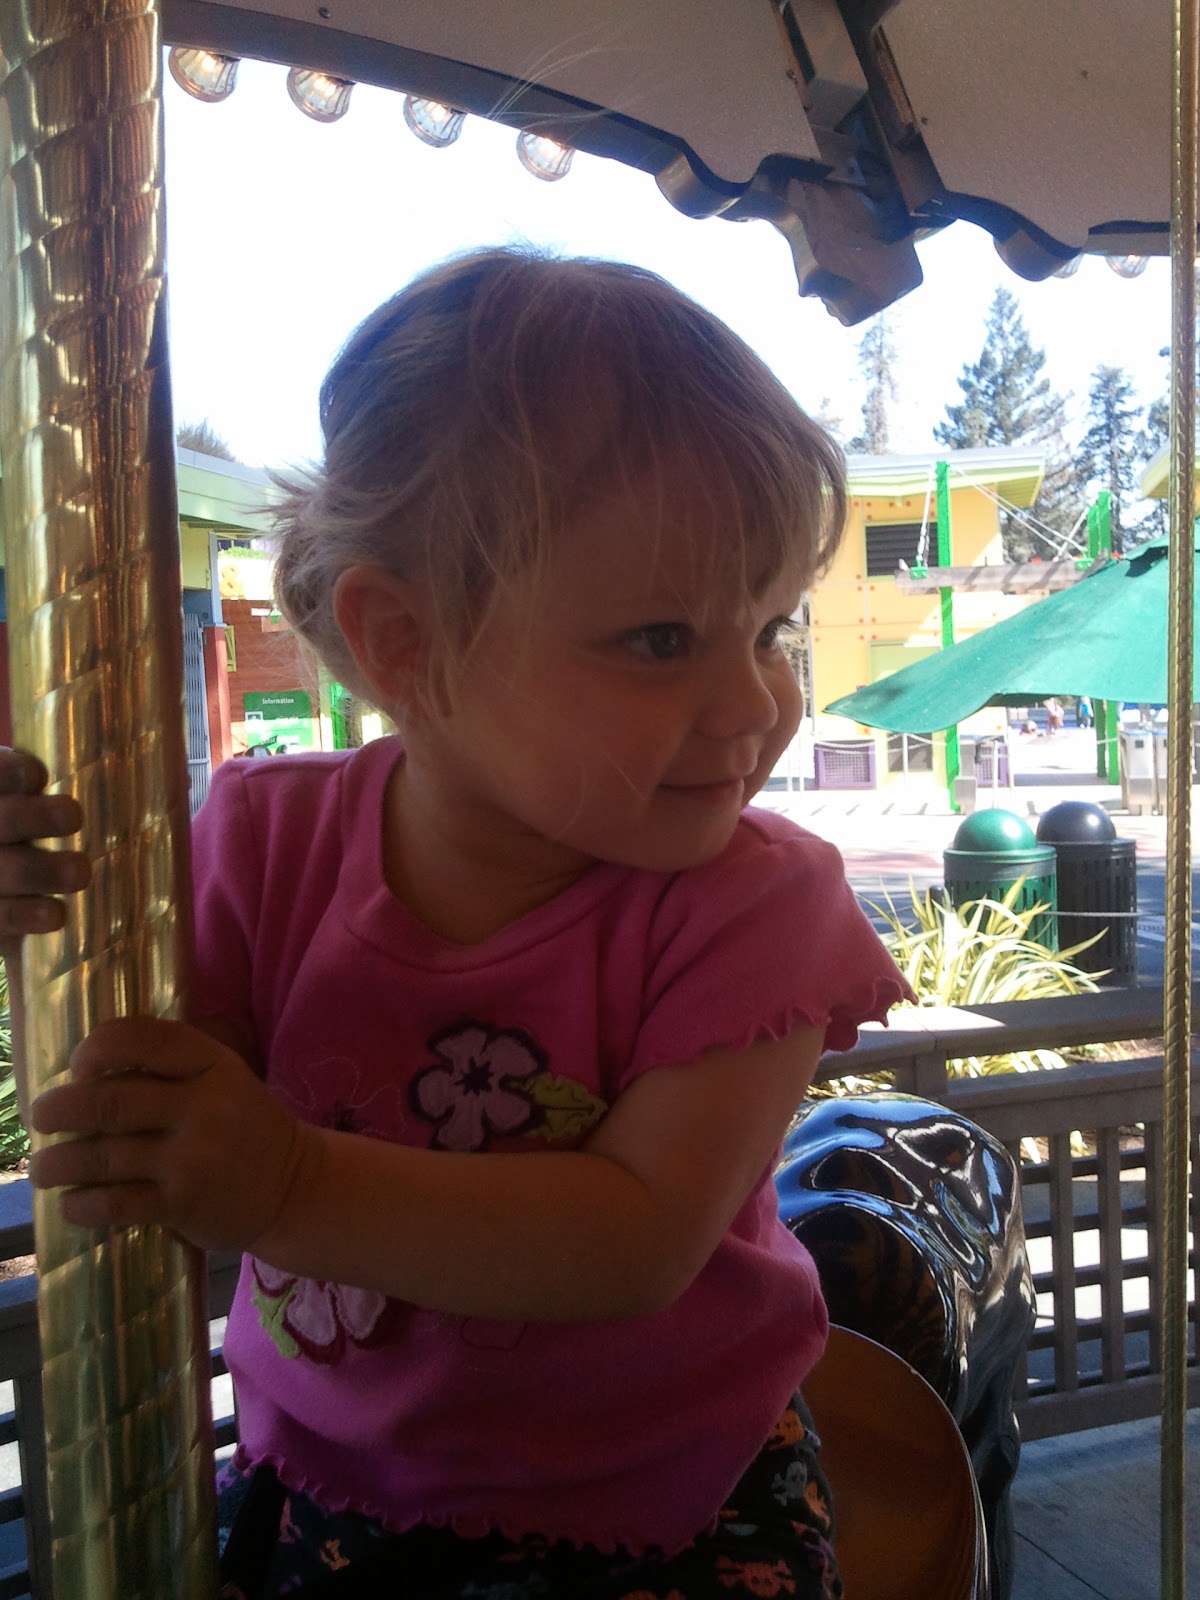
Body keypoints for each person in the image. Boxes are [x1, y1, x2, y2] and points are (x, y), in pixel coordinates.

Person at [0, 249, 911, 1600]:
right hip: (323, 1486)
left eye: (770, 630)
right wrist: (48, 922)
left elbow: (635, 1236)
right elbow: (140, 1127)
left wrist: (288, 1188)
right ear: (405, 644)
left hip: (665, 1511)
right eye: (663, 641)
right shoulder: (269, 844)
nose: (755, 706)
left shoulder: (758, 901)